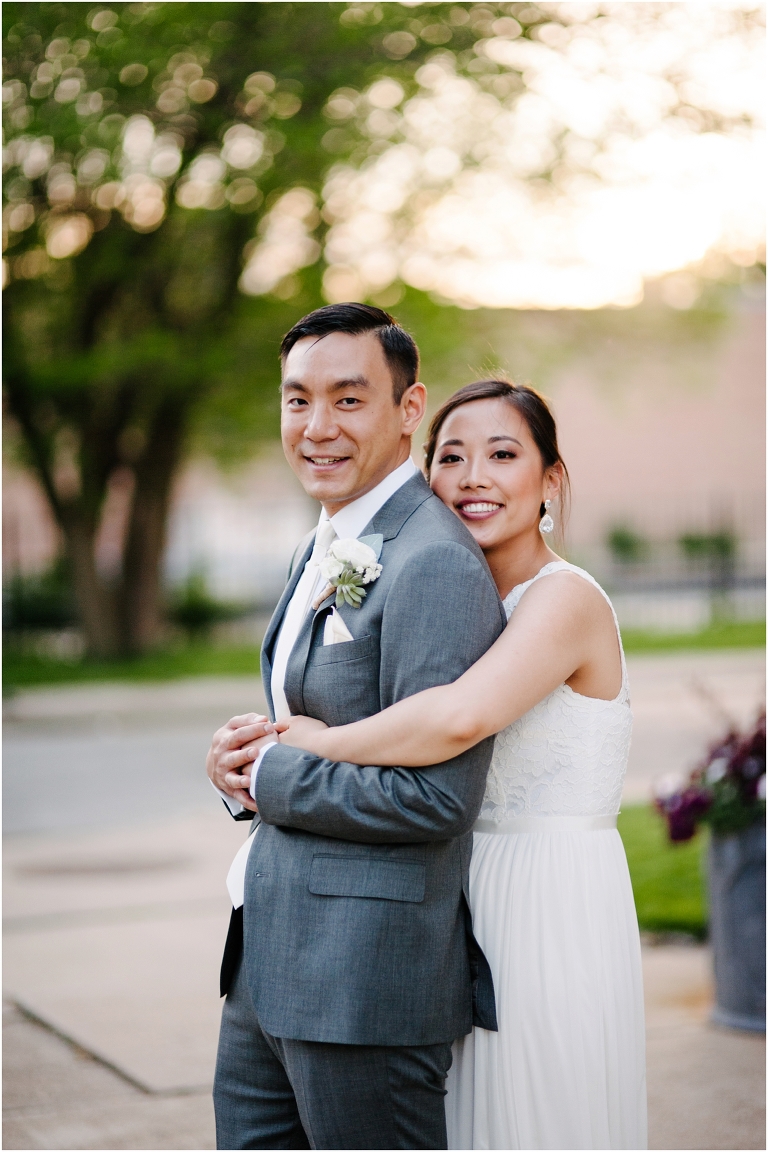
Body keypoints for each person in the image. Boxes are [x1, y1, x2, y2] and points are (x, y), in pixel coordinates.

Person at [244, 379, 648, 1150]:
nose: (472, 478)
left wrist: (306, 743)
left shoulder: (565, 601)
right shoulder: (442, 588)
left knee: (531, 1114)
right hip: (452, 895)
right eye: (451, 456)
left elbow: (458, 717)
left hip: (544, 900)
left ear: (550, 479)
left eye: (503, 454)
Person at [206, 305, 507, 1150]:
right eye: (296, 400)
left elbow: (435, 799)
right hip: (266, 962)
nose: (315, 427)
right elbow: (311, 725)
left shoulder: (434, 562)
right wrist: (240, 769)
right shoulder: (326, 541)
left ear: (409, 410)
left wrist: (274, 776)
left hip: (366, 984)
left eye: (348, 400)